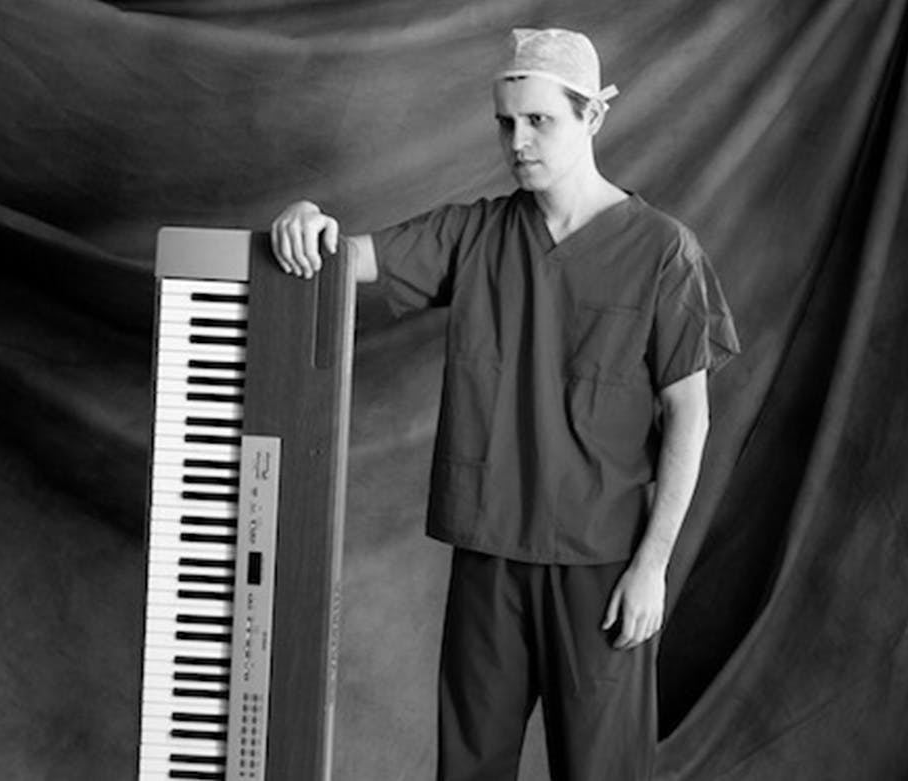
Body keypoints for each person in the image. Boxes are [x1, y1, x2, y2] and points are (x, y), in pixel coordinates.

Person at [271, 27, 739, 781]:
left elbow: (691, 413)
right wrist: (302, 215)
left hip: (601, 566)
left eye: (539, 120)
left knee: (601, 770)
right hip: (490, 561)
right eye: (506, 122)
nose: (517, 141)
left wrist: (652, 565)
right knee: (470, 768)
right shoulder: (475, 234)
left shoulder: (663, 253)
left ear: (592, 118)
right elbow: (343, 257)